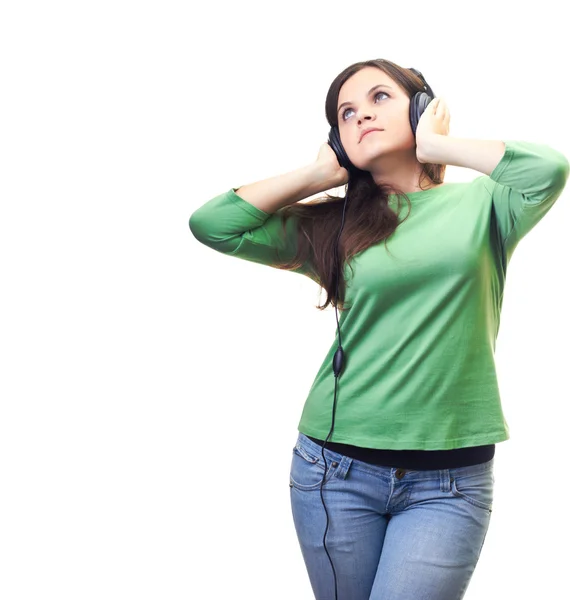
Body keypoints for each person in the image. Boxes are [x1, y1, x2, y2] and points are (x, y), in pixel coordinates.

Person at [188, 58, 569, 600]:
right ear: (338, 141)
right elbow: (213, 225)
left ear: (420, 107)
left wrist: (439, 147)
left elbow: (548, 168)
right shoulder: (333, 225)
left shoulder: (487, 204)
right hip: (334, 471)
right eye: (346, 113)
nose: (362, 114)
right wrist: (319, 175)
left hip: (450, 483)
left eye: (380, 99)